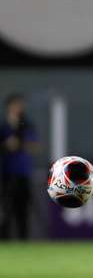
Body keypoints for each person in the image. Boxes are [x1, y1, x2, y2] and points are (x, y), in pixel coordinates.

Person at [1, 94, 39, 240]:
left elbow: (34, 146)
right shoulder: (3, 126)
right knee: (5, 210)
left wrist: (19, 144)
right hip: (7, 173)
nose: (18, 108)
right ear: (9, 107)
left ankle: (24, 240)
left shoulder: (27, 125)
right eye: (15, 105)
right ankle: (4, 241)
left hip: (23, 173)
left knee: (23, 210)